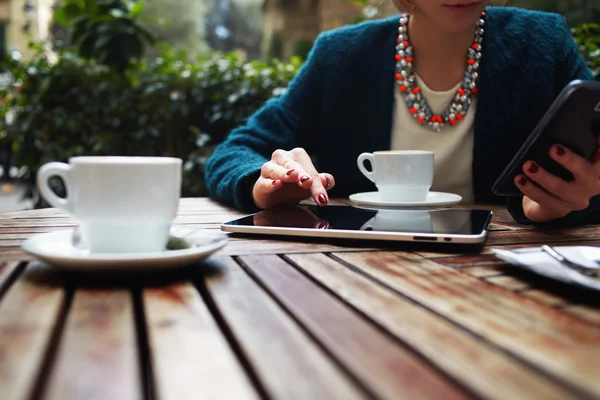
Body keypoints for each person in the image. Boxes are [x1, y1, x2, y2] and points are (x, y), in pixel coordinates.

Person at [205, 0, 600, 226]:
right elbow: (234, 152)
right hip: (354, 281)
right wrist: (264, 184)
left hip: (507, 287)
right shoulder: (340, 56)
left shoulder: (543, 43)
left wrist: (554, 207)